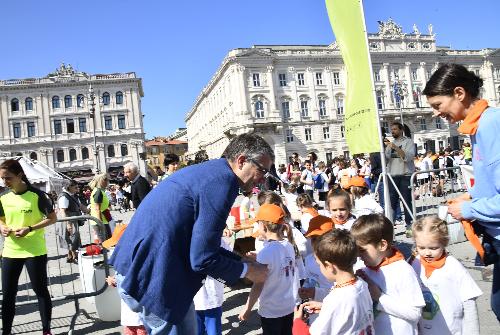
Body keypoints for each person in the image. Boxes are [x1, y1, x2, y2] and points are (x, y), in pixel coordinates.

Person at [110, 133, 271, 334]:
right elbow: (203, 258)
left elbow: (203, 246)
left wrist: (241, 262)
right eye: (262, 170)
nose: (263, 179)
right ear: (241, 161)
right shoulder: (223, 182)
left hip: (143, 270)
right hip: (153, 278)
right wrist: (248, 272)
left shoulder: (210, 173)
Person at [423, 63, 500, 320]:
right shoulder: (478, 127)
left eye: (437, 105)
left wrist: (467, 208)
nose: (436, 113)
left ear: (459, 93)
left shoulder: (490, 125)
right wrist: (473, 196)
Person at [0, 159, 58, 335]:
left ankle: (46, 330)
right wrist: (1, 227)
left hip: (35, 251)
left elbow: (52, 218)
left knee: (40, 290)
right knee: (8, 294)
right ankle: (6, 331)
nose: (4, 182)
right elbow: (1, 219)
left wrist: (30, 228)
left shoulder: (37, 195)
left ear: (19, 175)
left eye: (8, 178)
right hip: (10, 251)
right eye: (2, 178)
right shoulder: (3, 197)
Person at [351, 214, 425, 335]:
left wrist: (379, 297)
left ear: (382, 245)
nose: (358, 255)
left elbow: (415, 313)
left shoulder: (402, 270)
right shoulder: (362, 268)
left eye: (362, 250)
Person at [293, 229, 374, 335]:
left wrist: (297, 322)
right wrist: (325, 306)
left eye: (320, 264)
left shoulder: (336, 301)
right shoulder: (362, 284)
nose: (320, 268)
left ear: (329, 266)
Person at [410, 215, 481, 334]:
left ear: (444, 243)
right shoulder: (414, 264)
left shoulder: (453, 267)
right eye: (421, 247)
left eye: (433, 248)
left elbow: (469, 304)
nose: (427, 253)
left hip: (451, 330)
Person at [238, 204, 297, 335]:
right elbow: (278, 263)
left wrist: (247, 308)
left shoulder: (266, 252)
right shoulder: (288, 245)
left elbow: (258, 284)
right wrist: (259, 257)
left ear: (263, 226)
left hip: (271, 310)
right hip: (288, 306)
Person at [384, 122, 416, 232]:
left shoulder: (408, 142)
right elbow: (386, 159)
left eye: (395, 129)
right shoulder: (390, 144)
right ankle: (390, 227)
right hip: (392, 176)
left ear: (401, 130)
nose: (392, 131)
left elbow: (408, 157)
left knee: (406, 201)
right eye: (391, 129)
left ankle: (409, 225)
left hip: (405, 175)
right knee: (392, 202)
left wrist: (395, 148)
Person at [57, 180, 88, 263]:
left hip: (72, 219)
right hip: (68, 219)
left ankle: (70, 256)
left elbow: (80, 205)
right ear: (69, 187)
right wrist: (68, 224)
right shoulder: (64, 196)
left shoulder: (71, 195)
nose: (77, 189)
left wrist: (88, 210)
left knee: (74, 237)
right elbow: (63, 211)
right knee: (73, 238)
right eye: (75, 187)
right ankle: (75, 257)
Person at [89, 173, 113, 242]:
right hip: (100, 221)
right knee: (104, 243)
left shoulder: (100, 191)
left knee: (108, 241)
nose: (107, 182)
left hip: (103, 219)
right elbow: (97, 208)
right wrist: (100, 223)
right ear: (101, 181)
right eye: (106, 180)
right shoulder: (98, 192)